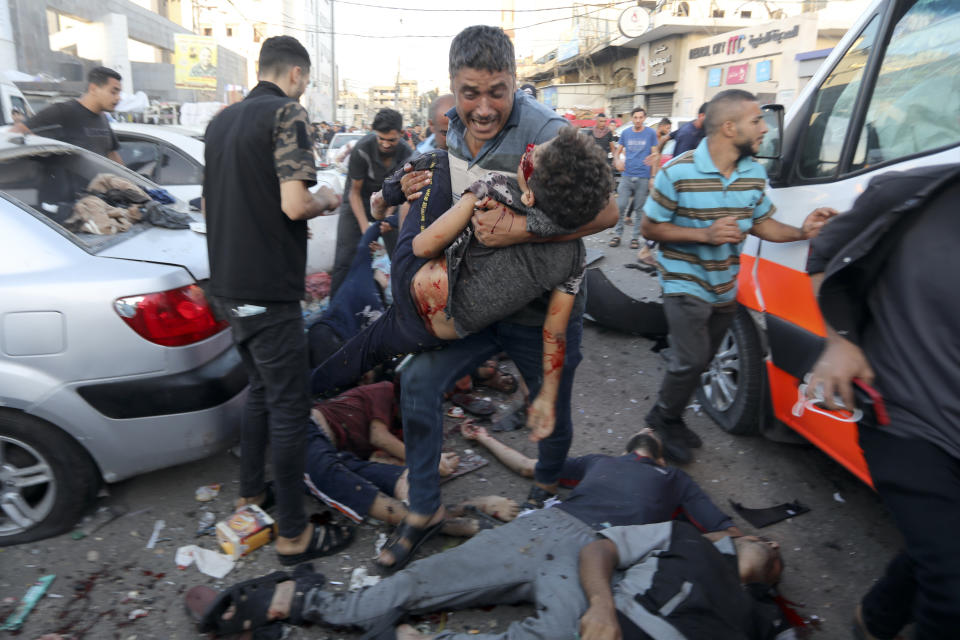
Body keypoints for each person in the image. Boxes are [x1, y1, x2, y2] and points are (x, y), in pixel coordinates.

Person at [375, 25, 617, 571]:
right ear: (453, 88)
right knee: (416, 379)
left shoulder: (550, 132)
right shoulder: (452, 135)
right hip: (477, 304)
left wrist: (522, 232)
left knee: (547, 404)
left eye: (497, 92)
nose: (483, 109)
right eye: (469, 93)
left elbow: (608, 213)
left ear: (515, 83)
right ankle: (425, 511)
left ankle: (547, 488)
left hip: (541, 314)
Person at [194, 430, 748, 639]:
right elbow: (532, 467)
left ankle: (346, 615)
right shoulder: (613, 463)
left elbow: (722, 537)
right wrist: (483, 437)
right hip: (564, 537)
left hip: (586, 554)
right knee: (420, 585)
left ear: (645, 450)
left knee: (560, 633)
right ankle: (306, 599)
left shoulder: (671, 479)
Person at [310, 127, 612, 443]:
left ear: (531, 194)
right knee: (362, 353)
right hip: (432, 334)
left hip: (412, 280)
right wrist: (548, 398)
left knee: (438, 161)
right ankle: (310, 390)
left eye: (529, 156)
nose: (525, 151)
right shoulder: (574, 257)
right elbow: (555, 331)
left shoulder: (497, 190)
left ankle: (382, 198)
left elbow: (422, 247)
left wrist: (470, 198)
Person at [202, 35, 344, 566]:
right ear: (296, 75)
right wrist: (326, 198)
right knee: (289, 407)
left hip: (229, 289)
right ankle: (291, 533)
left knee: (259, 391)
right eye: (305, 82)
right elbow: (293, 204)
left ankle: (250, 494)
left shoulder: (221, 122)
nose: (304, 89)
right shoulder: (288, 114)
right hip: (269, 289)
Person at [804, 163, 960, 640]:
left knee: (940, 544)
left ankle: (875, 618)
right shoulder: (913, 194)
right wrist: (840, 340)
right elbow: (823, 255)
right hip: (909, 419)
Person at [640, 89, 837, 464]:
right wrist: (704, 235)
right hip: (684, 281)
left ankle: (672, 417)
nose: (765, 128)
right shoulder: (677, 171)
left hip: (725, 285)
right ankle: (661, 419)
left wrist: (802, 231)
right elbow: (650, 227)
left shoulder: (753, 173)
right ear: (729, 128)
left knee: (705, 358)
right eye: (756, 121)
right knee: (691, 359)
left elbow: (761, 222)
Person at [303, 380, 519, 532]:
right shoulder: (384, 391)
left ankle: (454, 511)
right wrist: (429, 462)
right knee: (330, 474)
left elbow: (379, 457)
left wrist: (426, 463)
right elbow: (379, 437)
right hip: (312, 432)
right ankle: (451, 522)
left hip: (345, 460)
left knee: (405, 480)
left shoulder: (405, 425)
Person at [576, 525, 787, 640]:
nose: (775, 545)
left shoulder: (770, 617)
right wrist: (601, 606)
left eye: (775, 561)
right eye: (764, 540)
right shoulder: (684, 537)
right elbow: (599, 549)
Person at [330, 108, 413, 293]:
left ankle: (392, 306)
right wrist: (365, 229)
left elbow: (399, 195)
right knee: (346, 257)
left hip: (391, 202)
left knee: (398, 255)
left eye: (391, 140)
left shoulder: (407, 155)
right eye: (380, 138)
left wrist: (385, 221)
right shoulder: (362, 149)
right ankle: (336, 308)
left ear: (401, 133)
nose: (385, 144)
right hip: (357, 202)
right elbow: (354, 193)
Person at [14, 66, 123, 163]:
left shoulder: (103, 118)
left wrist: (131, 183)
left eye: (119, 93)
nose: (118, 98)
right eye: (113, 92)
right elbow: (17, 133)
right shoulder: (63, 111)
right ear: (93, 89)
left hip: (99, 184)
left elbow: (111, 154)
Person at [611, 106, 659, 250]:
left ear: (644, 119)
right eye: (635, 117)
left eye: (640, 117)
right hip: (627, 175)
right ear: (632, 118)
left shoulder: (650, 133)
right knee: (620, 205)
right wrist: (617, 160)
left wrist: (653, 176)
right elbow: (617, 152)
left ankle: (634, 238)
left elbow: (655, 155)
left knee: (639, 209)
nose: (638, 120)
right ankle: (617, 234)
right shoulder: (626, 133)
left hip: (643, 176)